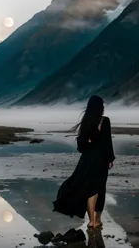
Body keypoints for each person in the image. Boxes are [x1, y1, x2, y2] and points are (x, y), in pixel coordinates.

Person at [53, 95, 115, 228]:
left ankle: (91, 221)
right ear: (100, 107)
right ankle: (96, 220)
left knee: (89, 189)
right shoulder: (105, 121)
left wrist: (89, 142)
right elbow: (107, 142)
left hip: (86, 160)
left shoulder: (86, 121)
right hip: (100, 160)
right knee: (99, 189)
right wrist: (110, 158)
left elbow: (81, 147)